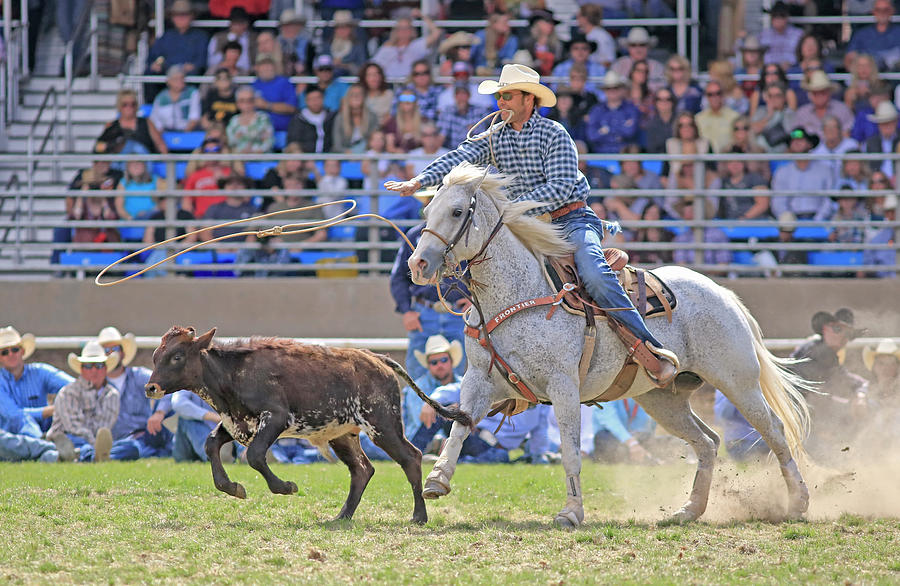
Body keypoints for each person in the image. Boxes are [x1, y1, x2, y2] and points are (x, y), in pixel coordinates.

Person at [385, 64, 679, 386]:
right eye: (499, 97)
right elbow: (460, 156)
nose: (501, 103)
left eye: (507, 96)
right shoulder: (493, 137)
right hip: (519, 224)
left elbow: (562, 186)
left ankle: (648, 347)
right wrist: (419, 180)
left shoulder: (554, 134)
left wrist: (513, 208)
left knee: (593, 272)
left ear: (529, 99)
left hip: (569, 219)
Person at [361, 334, 463, 461]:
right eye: (434, 362)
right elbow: (419, 423)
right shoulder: (417, 388)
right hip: (418, 441)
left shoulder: (462, 385)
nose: (439, 365)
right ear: (428, 365)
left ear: (451, 361)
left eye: (443, 360)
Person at [790, 308, 868, 462]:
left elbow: (849, 381)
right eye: (838, 329)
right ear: (825, 328)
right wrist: (852, 402)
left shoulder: (824, 354)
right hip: (797, 422)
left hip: (803, 419)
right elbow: (813, 397)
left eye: (848, 334)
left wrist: (860, 394)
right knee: (836, 459)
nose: (843, 337)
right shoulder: (815, 353)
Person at [420, 381, 553, 464]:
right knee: (445, 409)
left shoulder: (541, 404)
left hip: (493, 448)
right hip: (471, 434)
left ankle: (450, 458)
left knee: (501, 456)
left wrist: (538, 456)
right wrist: (431, 401)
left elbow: (540, 433)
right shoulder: (499, 382)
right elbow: (458, 388)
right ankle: (414, 452)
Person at [96, 327, 174, 460]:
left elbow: (164, 389)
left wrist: (159, 414)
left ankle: (96, 456)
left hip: (144, 436)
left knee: (168, 442)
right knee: (133, 449)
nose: (110, 354)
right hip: (117, 440)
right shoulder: (98, 384)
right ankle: (103, 455)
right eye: (106, 350)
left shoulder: (138, 376)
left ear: (123, 353)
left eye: (114, 349)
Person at [48, 340, 120, 463]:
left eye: (98, 365)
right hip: (69, 436)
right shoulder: (68, 392)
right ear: (81, 369)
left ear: (105, 368)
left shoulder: (112, 394)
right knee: (80, 443)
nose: (94, 370)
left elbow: (103, 427)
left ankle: (90, 455)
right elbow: (74, 427)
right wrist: (95, 444)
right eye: (88, 366)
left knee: (131, 446)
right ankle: (94, 455)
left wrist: (98, 442)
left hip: (91, 439)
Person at [0, 326, 73, 435]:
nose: (10, 354)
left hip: (47, 431)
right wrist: (53, 409)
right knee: (24, 423)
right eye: (5, 352)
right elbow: (14, 416)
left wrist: (64, 403)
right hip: (12, 442)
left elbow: (74, 386)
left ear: (22, 351)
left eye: (15, 349)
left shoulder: (40, 371)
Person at [143, 0, 208, 101]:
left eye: (185, 14)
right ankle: (150, 106)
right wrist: (156, 64)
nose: (181, 18)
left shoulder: (200, 37)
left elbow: (201, 62)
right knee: (149, 73)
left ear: (192, 16)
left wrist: (187, 68)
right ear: (172, 17)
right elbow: (154, 58)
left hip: (189, 78)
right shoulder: (166, 37)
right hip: (167, 75)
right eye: (177, 15)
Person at [770, 128, 835, 221]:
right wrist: (788, 220)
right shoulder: (782, 172)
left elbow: (829, 199)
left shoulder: (825, 169)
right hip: (791, 220)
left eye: (801, 140)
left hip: (820, 219)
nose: (796, 143)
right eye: (793, 141)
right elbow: (778, 202)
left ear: (810, 144)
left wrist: (819, 219)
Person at [592, 398, 680, 464]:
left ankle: (647, 457)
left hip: (636, 438)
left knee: (672, 443)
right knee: (605, 440)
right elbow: (610, 421)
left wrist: (639, 442)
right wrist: (632, 443)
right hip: (612, 437)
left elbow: (646, 427)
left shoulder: (641, 393)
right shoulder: (607, 392)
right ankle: (646, 458)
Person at [97, 89, 168, 156]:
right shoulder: (111, 126)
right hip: (119, 164)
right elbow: (99, 147)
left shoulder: (147, 122)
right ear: (119, 106)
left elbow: (160, 145)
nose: (129, 107)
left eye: (133, 104)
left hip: (143, 162)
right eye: (125, 104)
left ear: (137, 106)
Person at [585, 71, 641, 154]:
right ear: (604, 90)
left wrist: (605, 130)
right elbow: (591, 136)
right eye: (608, 88)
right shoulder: (596, 110)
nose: (612, 91)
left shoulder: (631, 109)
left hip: (625, 156)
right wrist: (620, 130)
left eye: (616, 88)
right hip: (600, 155)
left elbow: (630, 133)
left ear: (622, 89)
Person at [371, 16, 440, 80]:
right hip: (389, 83)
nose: (404, 31)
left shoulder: (417, 45)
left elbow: (436, 33)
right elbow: (374, 65)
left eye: (407, 28)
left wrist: (422, 15)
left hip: (410, 84)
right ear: (396, 31)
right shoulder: (387, 48)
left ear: (412, 31)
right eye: (401, 28)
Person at [793, 70, 854, 140]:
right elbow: (794, 133)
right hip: (808, 149)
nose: (819, 96)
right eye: (815, 93)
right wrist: (804, 135)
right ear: (810, 95)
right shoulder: (802, 112)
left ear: (829, 92)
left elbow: (848, 132)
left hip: (836, 149)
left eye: (823, 92)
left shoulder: (842, 110)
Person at [846, 0, 900, 71]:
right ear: (873, 12)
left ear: (892, 11)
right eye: (878, 10)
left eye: (886, 10)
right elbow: (849, 58)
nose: (882, 13)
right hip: (869, 78)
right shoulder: (861, 34)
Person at [251, 53, 298, 133]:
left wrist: (266, 105)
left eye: (269, 64)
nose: (266, 68)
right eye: (263, 65)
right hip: (257, 133)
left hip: (281, 131)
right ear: (257, 68)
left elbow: (292, 108)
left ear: (274, 67)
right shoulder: (253, 85)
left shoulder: (284, 83)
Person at [611, 28, 666, 92]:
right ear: (628, 47)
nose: (638, 49)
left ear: (648, 47)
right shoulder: (619, 65)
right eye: (633, 45)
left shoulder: (657, 67)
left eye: (642, 45)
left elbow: (661, 89)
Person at [149, 65, 202, 132]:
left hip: (187, 132)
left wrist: (183, 135)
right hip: (165, 133)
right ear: (169, 81)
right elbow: (155, 118)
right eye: (176, 79)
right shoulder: (161, 97)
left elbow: (194, 117)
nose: (180, 81)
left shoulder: (193, 93)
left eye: (182, 78)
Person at [437, 83, 487, 150]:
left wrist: (473, 132)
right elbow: (442, 135)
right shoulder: (447, 111)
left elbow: (484, 135)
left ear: (469, 96)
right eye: (458, 94)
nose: (461, 97)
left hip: (474, 149)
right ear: (454, 97)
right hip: (452, 151)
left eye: (464, 94)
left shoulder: (479, 111)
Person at [207, 6, 256, 75]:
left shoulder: (254, 38)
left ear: (247, 24)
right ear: (230, 24)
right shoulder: (218, 38)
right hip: (223, 74)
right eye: (236, 23)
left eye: (242, 23)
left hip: (249, 74)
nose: (239, 26)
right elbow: (212, 61)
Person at [287, 85, 335, 154]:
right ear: (306, 101)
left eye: (318, 98)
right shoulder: (298, 119)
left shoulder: (332, 117)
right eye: (311, 99)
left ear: (323, 99)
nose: (315, 102)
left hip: (329, 158)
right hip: (305, 158)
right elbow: (293, 143)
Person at [331, 84, 379, 154]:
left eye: (359, 94)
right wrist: (347, 152)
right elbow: (337, 144)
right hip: (344, 155)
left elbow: (374, 141)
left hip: (366, 154)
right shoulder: (340, 118)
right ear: (348, 98)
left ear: (364, 97)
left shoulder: (372, 117)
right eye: (352, 94)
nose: (356, 96)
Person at [226, 86, 275, 154]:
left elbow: (269, 141)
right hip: (240, 158)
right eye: (242, 100)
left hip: (261, 157)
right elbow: (231, 142)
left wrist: (254, 152)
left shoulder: (263, 118)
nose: (246, 104)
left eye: (250, 100)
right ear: (237, 103)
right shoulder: (234, 120)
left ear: (255, 101)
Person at [696, 80, 740, 153]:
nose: (714, 97)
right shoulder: (698, 118)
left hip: (728, 158)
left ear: (723, 95)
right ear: (706, 96)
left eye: (718, 93)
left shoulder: (734, 117)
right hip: (706, 160)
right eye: (710, 94)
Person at [812, 116, 859, 183]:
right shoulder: (817, 150)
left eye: (834, 128)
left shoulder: (851, 145)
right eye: (827, 128)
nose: (831, 131)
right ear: (823, 131)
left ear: (839, 130)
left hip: (849, 185)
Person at [750, 81, 795, 153]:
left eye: (777, 96)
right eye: (770, 96)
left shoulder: (790, 114)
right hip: (762, 155)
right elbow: (754, 130)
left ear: (784, 98)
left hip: (784, 155)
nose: (773, 99)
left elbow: (792, 135)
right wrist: (769, 116)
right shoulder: (760, 112)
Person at [759, 1, 803, 70]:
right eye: (775, 16)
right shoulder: (764, 35)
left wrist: (790, 64)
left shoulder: (798, 34)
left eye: (782, 16)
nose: (778, 19)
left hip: (793, 69)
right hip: (768, 71)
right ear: (771, 19)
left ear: (787, 17)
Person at [521, 9, 563, 76]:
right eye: (547, 22)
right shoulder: (527, 44)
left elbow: (559, 63)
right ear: (537, 23)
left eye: (552, 23)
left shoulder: (558, 45)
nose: (551, 25)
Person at [325, 10, 367, 76]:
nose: (341, 30)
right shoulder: (327, 44)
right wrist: (331, 63)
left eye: (345, 27)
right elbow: (319, 62)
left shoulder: (358, 46)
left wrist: (346, 65)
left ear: (351, 29)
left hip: (351, 81)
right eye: (338, 27)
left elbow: (362, 68)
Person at [864, 102, 900, 179]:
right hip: (878, 182)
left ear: (895, 122)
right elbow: (869, 166)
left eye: (889, 122)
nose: (886, 126)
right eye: (883, 123)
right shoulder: (871, 142)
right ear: (878, 125)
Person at [574, 3, 616, 69]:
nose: (577, 18)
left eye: (579, 16)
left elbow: (607, 61)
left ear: (586, 18)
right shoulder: (582, 34)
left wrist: (594, 71)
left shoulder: (602, 36)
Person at [404, 58, 443, 123]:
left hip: (435, 128)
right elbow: (398, 113)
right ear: (412, 76)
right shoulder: (405, 92)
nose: (421, 77)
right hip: (412, 127)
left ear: (430, 74)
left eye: (425, 73)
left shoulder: (439, 92)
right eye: (417, 74)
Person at [277, 9, 313, 75]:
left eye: (291, 25)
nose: (288, 28)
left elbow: (309, 63)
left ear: (298, 26)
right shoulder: (277, 42)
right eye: (286, 25)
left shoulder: (307, 43)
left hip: (302, 76)